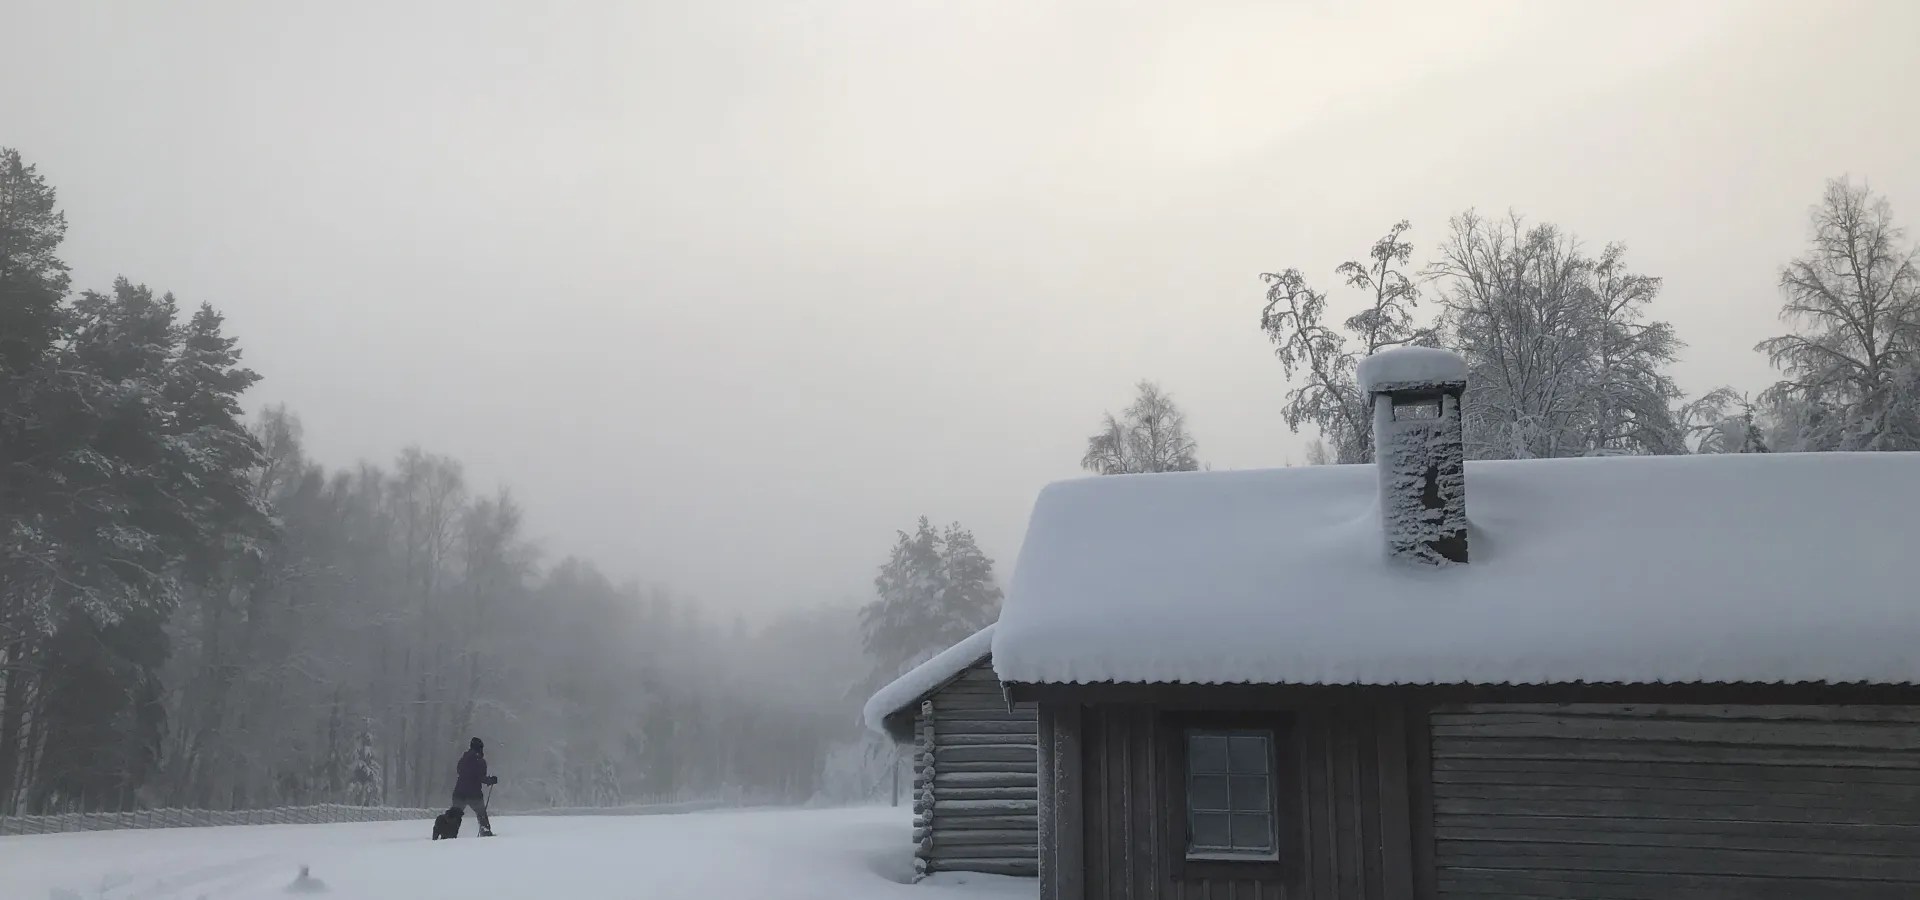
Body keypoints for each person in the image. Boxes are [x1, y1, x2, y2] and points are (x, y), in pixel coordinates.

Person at [453, 736, 499, 836]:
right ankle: (485, 830)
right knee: (481, 813)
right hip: (473, 793)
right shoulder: (480, 761)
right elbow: (481, 778)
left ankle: (450, 831)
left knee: (455, 814)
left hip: (459, 791)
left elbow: (459, 770)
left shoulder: (463, 758)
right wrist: (491, 780)